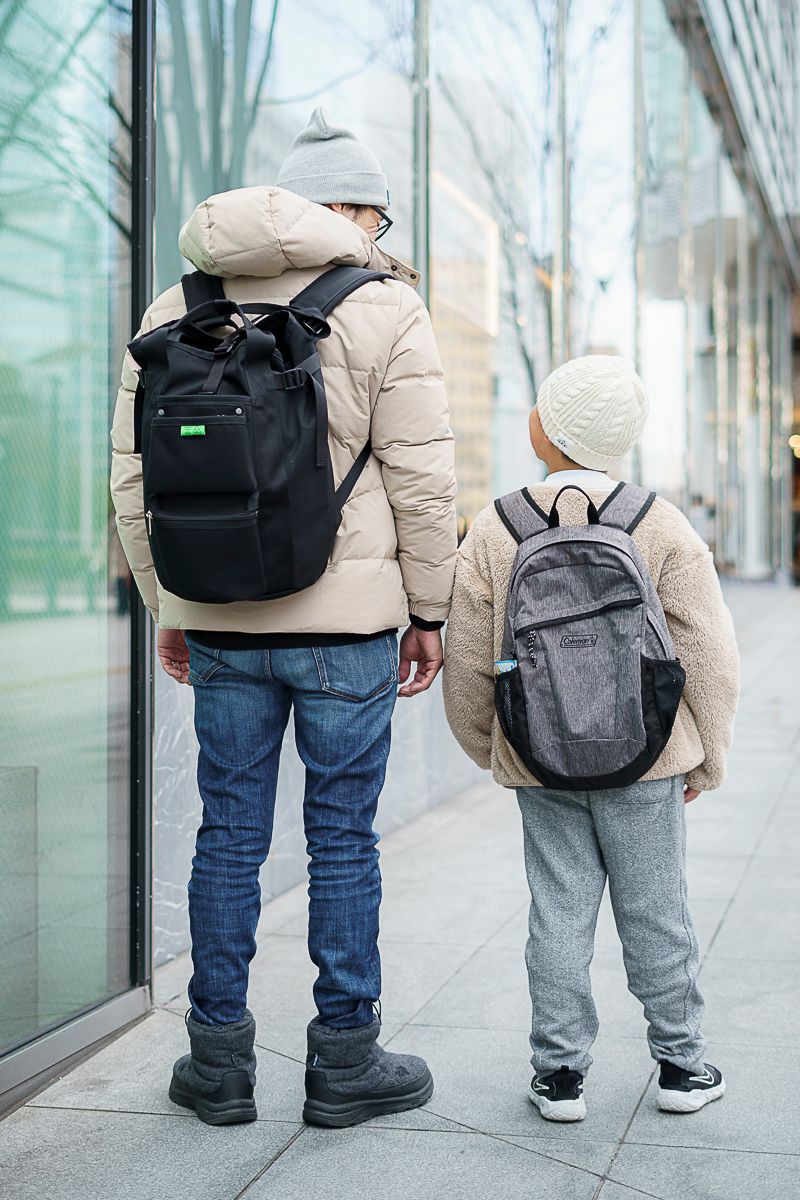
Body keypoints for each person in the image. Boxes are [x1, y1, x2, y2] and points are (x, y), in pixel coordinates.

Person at [110, 107, 457, 1128]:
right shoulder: (384, 307)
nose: (379, 237)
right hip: (346, 629)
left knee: (227, 837)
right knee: (342, 842)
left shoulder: (176, 299)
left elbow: (132, 478)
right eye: (376, 218)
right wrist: (426, 611)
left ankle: (217, 1064)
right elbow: (423, 482)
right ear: (351, 210)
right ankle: (343, 1062)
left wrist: (166, 601)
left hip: (218, 618)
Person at [443, 355, 739, 1122]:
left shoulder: (495, 525)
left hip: (540, 760)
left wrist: (493, 747)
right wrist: (710, 750)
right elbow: (707, 648)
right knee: (657, 910)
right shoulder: (659, 521)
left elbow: (469, 655)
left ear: (546, 430)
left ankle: (560, 1076)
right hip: (648, 757)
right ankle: (680, 1065)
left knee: (558, 912)